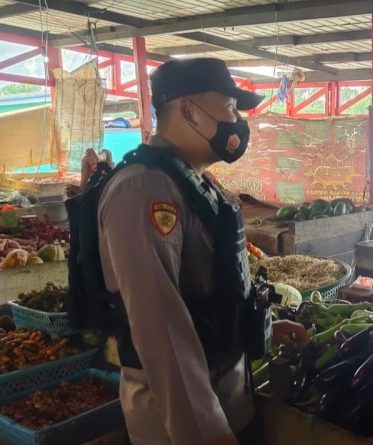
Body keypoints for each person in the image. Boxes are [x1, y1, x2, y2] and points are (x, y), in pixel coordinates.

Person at [73, 58, 308, 445]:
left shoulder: (191, 181)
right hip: (182, 427)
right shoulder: (144, 189)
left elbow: (206, 294)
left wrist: (252, 326)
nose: (238, 122)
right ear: (188, 111)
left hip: (229, 401)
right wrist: (209, 434)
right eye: (229, 107)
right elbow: (160, 329)